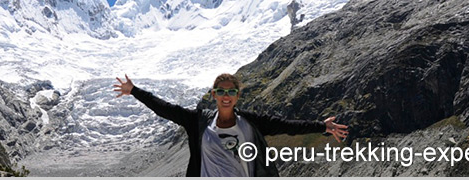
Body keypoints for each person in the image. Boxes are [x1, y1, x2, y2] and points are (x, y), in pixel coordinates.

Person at [114, 73, 349, 177]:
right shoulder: (198, 120)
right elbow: (165, 108)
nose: (226, 95)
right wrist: (134, 91)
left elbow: (286, 125)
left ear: (237, 96)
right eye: (221, 91)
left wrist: (322, 126)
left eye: (231, 91)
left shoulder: (250, 122)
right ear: (214, 95)